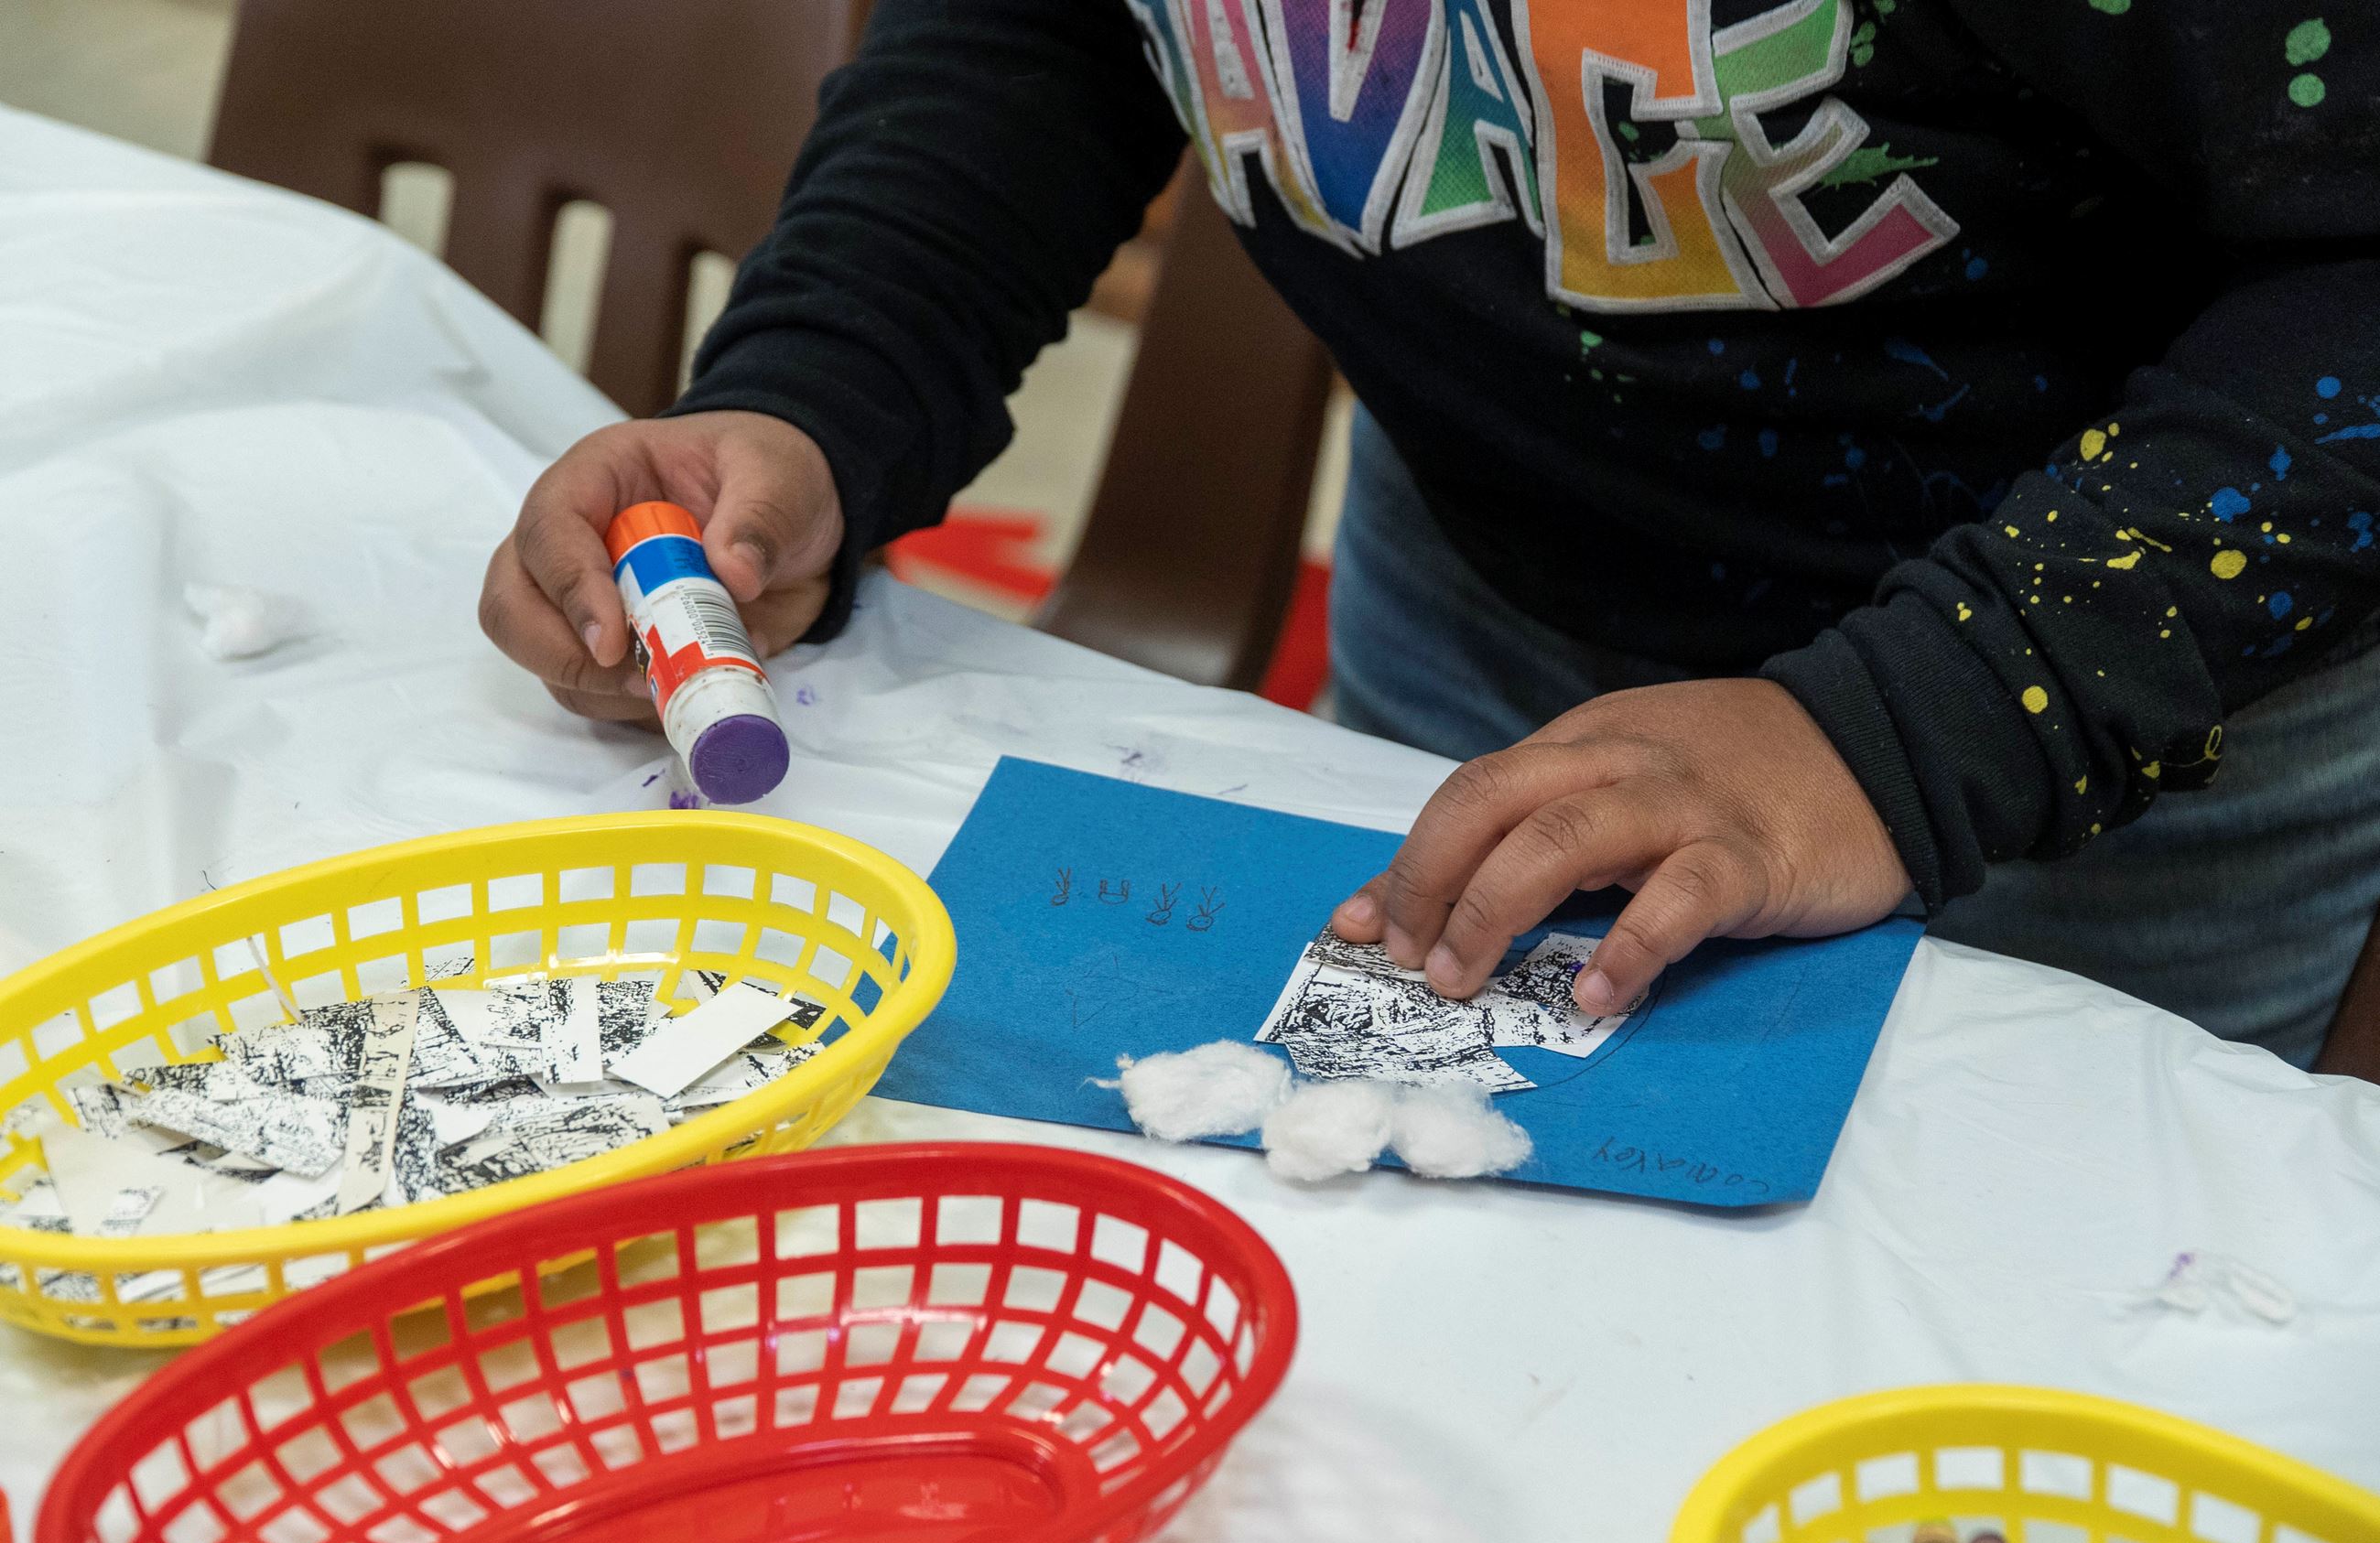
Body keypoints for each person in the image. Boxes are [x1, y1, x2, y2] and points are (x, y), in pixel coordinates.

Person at [480, 0, 2379, 1066]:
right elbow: (1042, 28)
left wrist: (1906, 733)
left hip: (2078, 713)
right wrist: (818, 395)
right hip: (1485, 608)